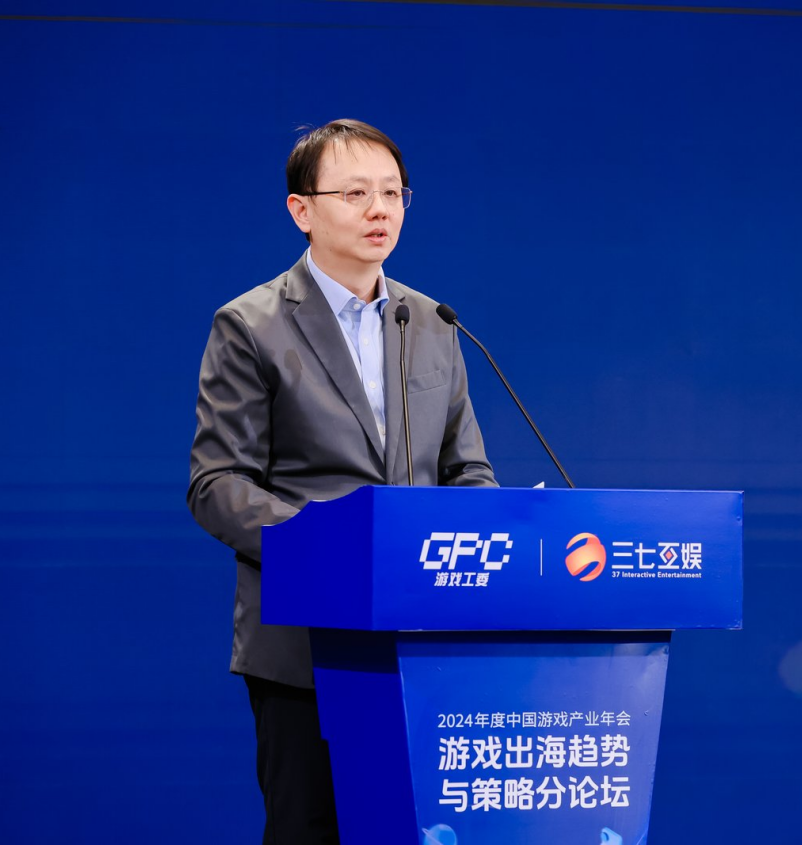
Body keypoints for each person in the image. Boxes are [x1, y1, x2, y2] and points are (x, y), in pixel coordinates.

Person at [186, 119, 497, 844]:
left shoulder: (433, 321)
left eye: (392, 193)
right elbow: (218, 481)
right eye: (355, 193)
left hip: (424, 639)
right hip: (306, 644)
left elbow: (467, 471)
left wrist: (486, 541)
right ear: (302, 210)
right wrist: (335, 546)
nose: (379, 209)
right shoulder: (251, 325)